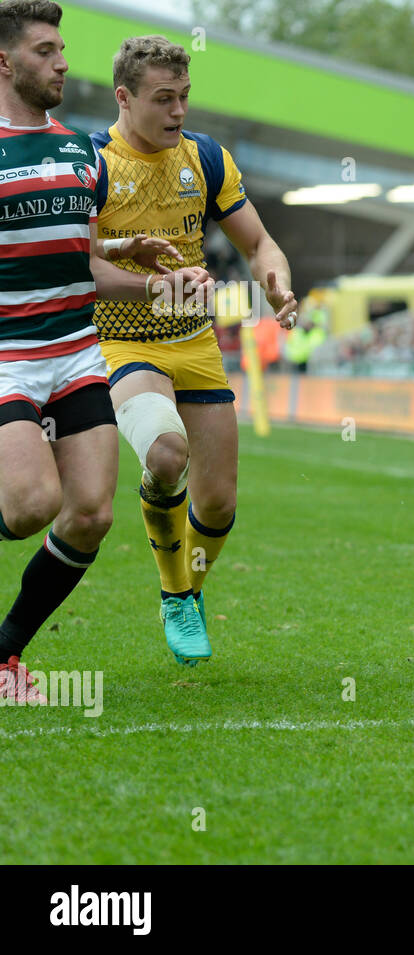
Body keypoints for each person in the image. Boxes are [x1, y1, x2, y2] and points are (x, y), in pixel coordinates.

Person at [0, 1, 208, 699]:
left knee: (89, 513)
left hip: (77, 351)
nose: (61, 62)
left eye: (61, 49)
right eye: (43, 51)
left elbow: (76, 254)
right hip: (9, 355)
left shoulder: (79, 152)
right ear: (5, 62)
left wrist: (135, 261)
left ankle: (4, 657)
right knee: (30, 504)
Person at [91, 35, 297, 666]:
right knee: (164, 451)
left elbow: (261, 241)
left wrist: (276, 280)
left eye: (183, 97)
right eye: (162, 99)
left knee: (218, 503)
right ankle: (177, 592)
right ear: (125, 98)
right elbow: (78, 265)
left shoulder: (205, 158)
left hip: (195, 341)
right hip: (122, 339)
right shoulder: (91, 164)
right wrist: (153, 284)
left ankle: (187, 591)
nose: (178, 111)